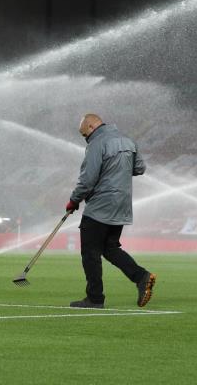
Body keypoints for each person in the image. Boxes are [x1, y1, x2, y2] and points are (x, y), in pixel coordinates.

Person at [66, 113, 155, 309]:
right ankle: (141, 276)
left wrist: (74, 200)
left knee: (90, 252)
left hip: (100, 205)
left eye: (84, 135)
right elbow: (140, 168)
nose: (86, 139)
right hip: (121, 205)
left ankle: (95, 298)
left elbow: (87, 180)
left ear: (90, 127)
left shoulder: (97, 143)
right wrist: (117, 170)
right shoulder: (128, 141)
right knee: (109, 248)